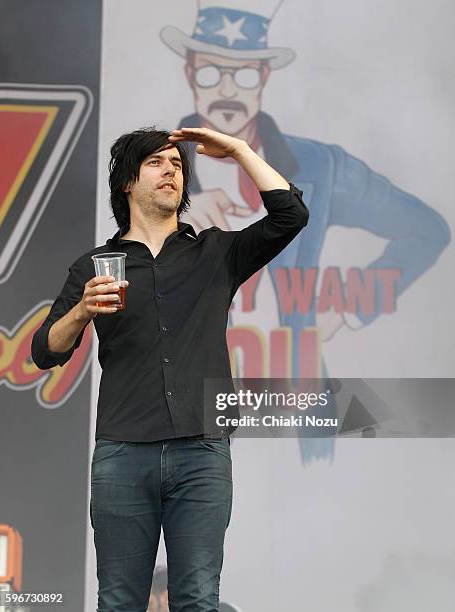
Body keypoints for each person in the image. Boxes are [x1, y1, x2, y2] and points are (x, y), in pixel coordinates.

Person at [31, 125, 309, 611]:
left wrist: (241, 150)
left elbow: (291, 215)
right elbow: (44, 351)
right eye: (156, 163)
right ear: (127, 182)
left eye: (178, 165)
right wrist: (81, 311)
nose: (171, 172)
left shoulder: (216, 252)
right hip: (122, 451)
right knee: (118, 601)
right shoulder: (96, 264)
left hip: (201, 449)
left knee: (198, 599)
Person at [160, 0, 451, 463]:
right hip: (189, 410)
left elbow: (426, 230)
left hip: (293, 410)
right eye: (213, 73)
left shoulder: (320, 167)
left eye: (245, 75)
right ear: (191, 73)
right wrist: (179, 217)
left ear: (265, 79)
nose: (229, 90)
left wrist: (350, 305)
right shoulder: (153, 171)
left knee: (313, 503)